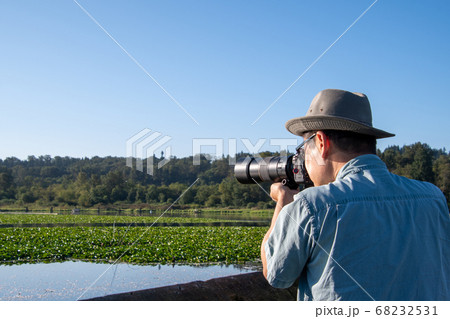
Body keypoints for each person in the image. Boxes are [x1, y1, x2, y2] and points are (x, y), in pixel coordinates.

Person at [261, 89, 450, 301]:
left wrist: (283, 203)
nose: (302, 160)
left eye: (303, 149)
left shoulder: (312, 206)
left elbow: (275, 274)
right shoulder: (432, 198)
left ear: (321, 143)